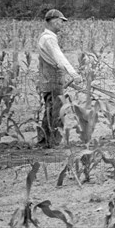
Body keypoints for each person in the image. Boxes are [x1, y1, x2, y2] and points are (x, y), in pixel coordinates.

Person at [37, 9, 82, 147]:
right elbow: (59, 57)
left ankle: (44, 140)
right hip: (53, 80)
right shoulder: (49, 39)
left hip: (48, 78)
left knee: (50, 110)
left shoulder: (45, 37)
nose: (62, 24)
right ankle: (53, 143)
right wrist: (74, 74)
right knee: (57, 111)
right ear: (54, 21)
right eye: (61, 22)